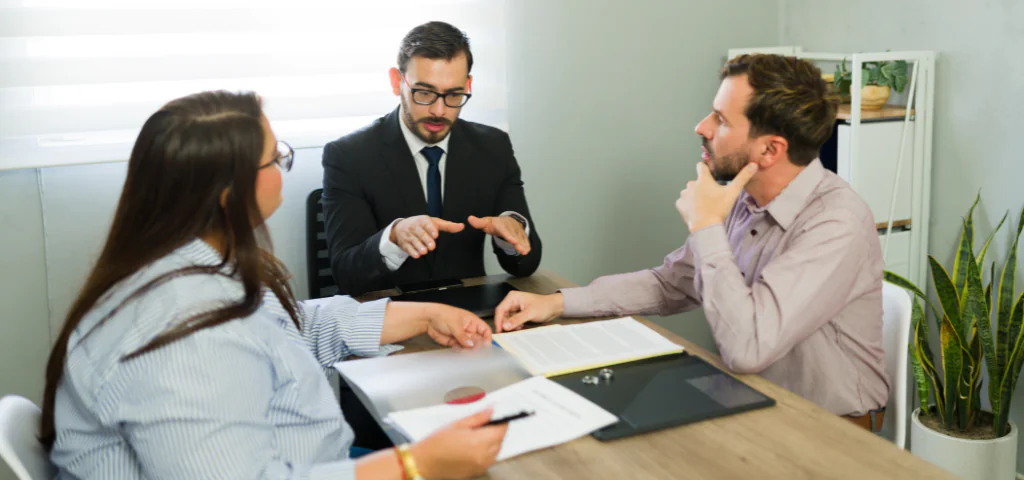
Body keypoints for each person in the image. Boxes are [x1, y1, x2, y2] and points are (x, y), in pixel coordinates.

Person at [41, 91, 507, 479]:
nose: (284, 162)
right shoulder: (184, 331)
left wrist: (423, 315)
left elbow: (289, 327)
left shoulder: (189, 262)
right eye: (275, 157)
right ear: (229, 191)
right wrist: (414, 465)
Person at [494, 54, 889, 429]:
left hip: (831, 428)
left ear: (770, 149)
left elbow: (748, 348)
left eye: (721, 119)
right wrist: (558, 302)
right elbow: (671, 283)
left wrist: (706, 225)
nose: (702, 127)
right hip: (754, 400)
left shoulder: (837, 222)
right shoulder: (744, 196)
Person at [322, 21, 542, 296]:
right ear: (396, 82)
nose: (439, 111)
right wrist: (393, 238)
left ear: (468, 84)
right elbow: (346, 276)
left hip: (469, 312)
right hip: (390, 314)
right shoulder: (349, 156)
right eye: (424, 93)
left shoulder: (492, 147)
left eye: (454, 94)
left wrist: (511, 236)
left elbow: (527, 266)